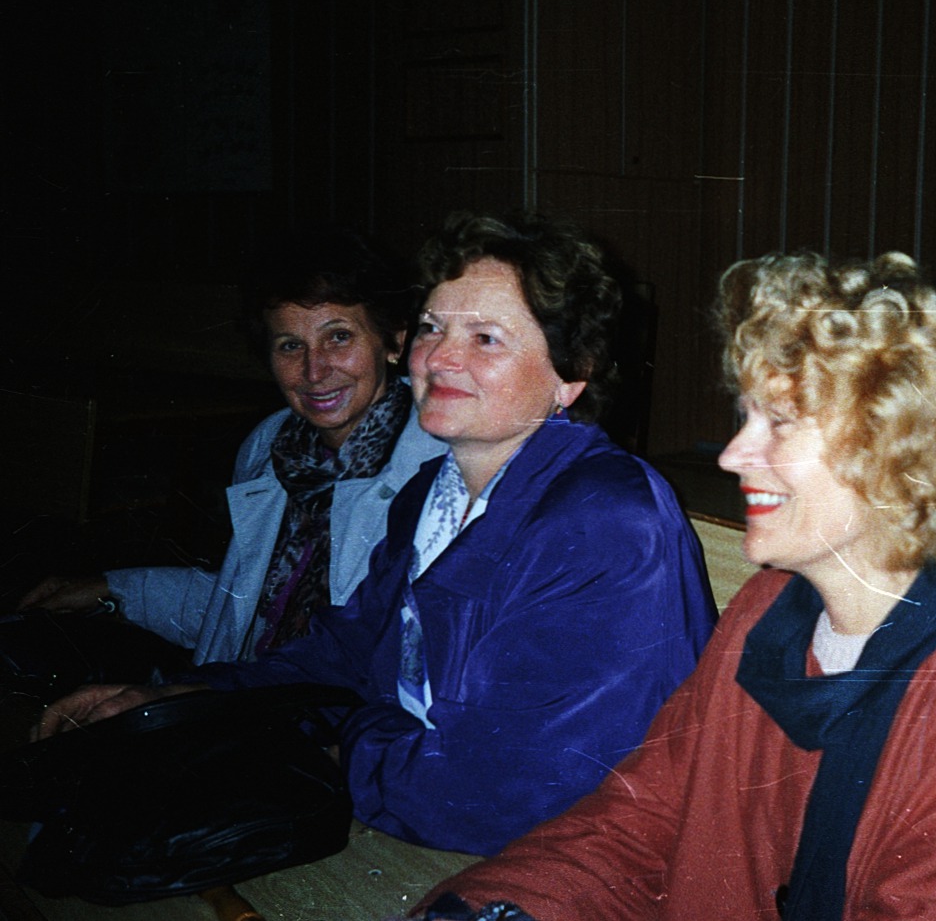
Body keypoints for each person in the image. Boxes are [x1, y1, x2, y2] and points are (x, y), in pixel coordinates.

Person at [418, 251, 936, 920]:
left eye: (781, 421)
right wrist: (487, 909)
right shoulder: (768, 609)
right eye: (745, 416)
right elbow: (637, 821)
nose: (734, 455)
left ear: (901, 452)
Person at [39, 214, 719, 857]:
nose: (439, 359)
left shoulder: (604, 517)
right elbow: (345, 651)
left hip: (564, 863)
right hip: (412, 815)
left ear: (572, 376)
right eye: (431, 327)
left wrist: (344, 739)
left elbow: (508, 794)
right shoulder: (432, 495)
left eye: (485, 338)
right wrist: (186, 701)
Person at [19, 228, 446, 664]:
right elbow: (242, 611)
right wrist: (113, 589)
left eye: (339, 337)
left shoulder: (440, 466)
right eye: (290, 345)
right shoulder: (272, 446)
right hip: (250, 700)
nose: (314, 370)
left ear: (393, 340)